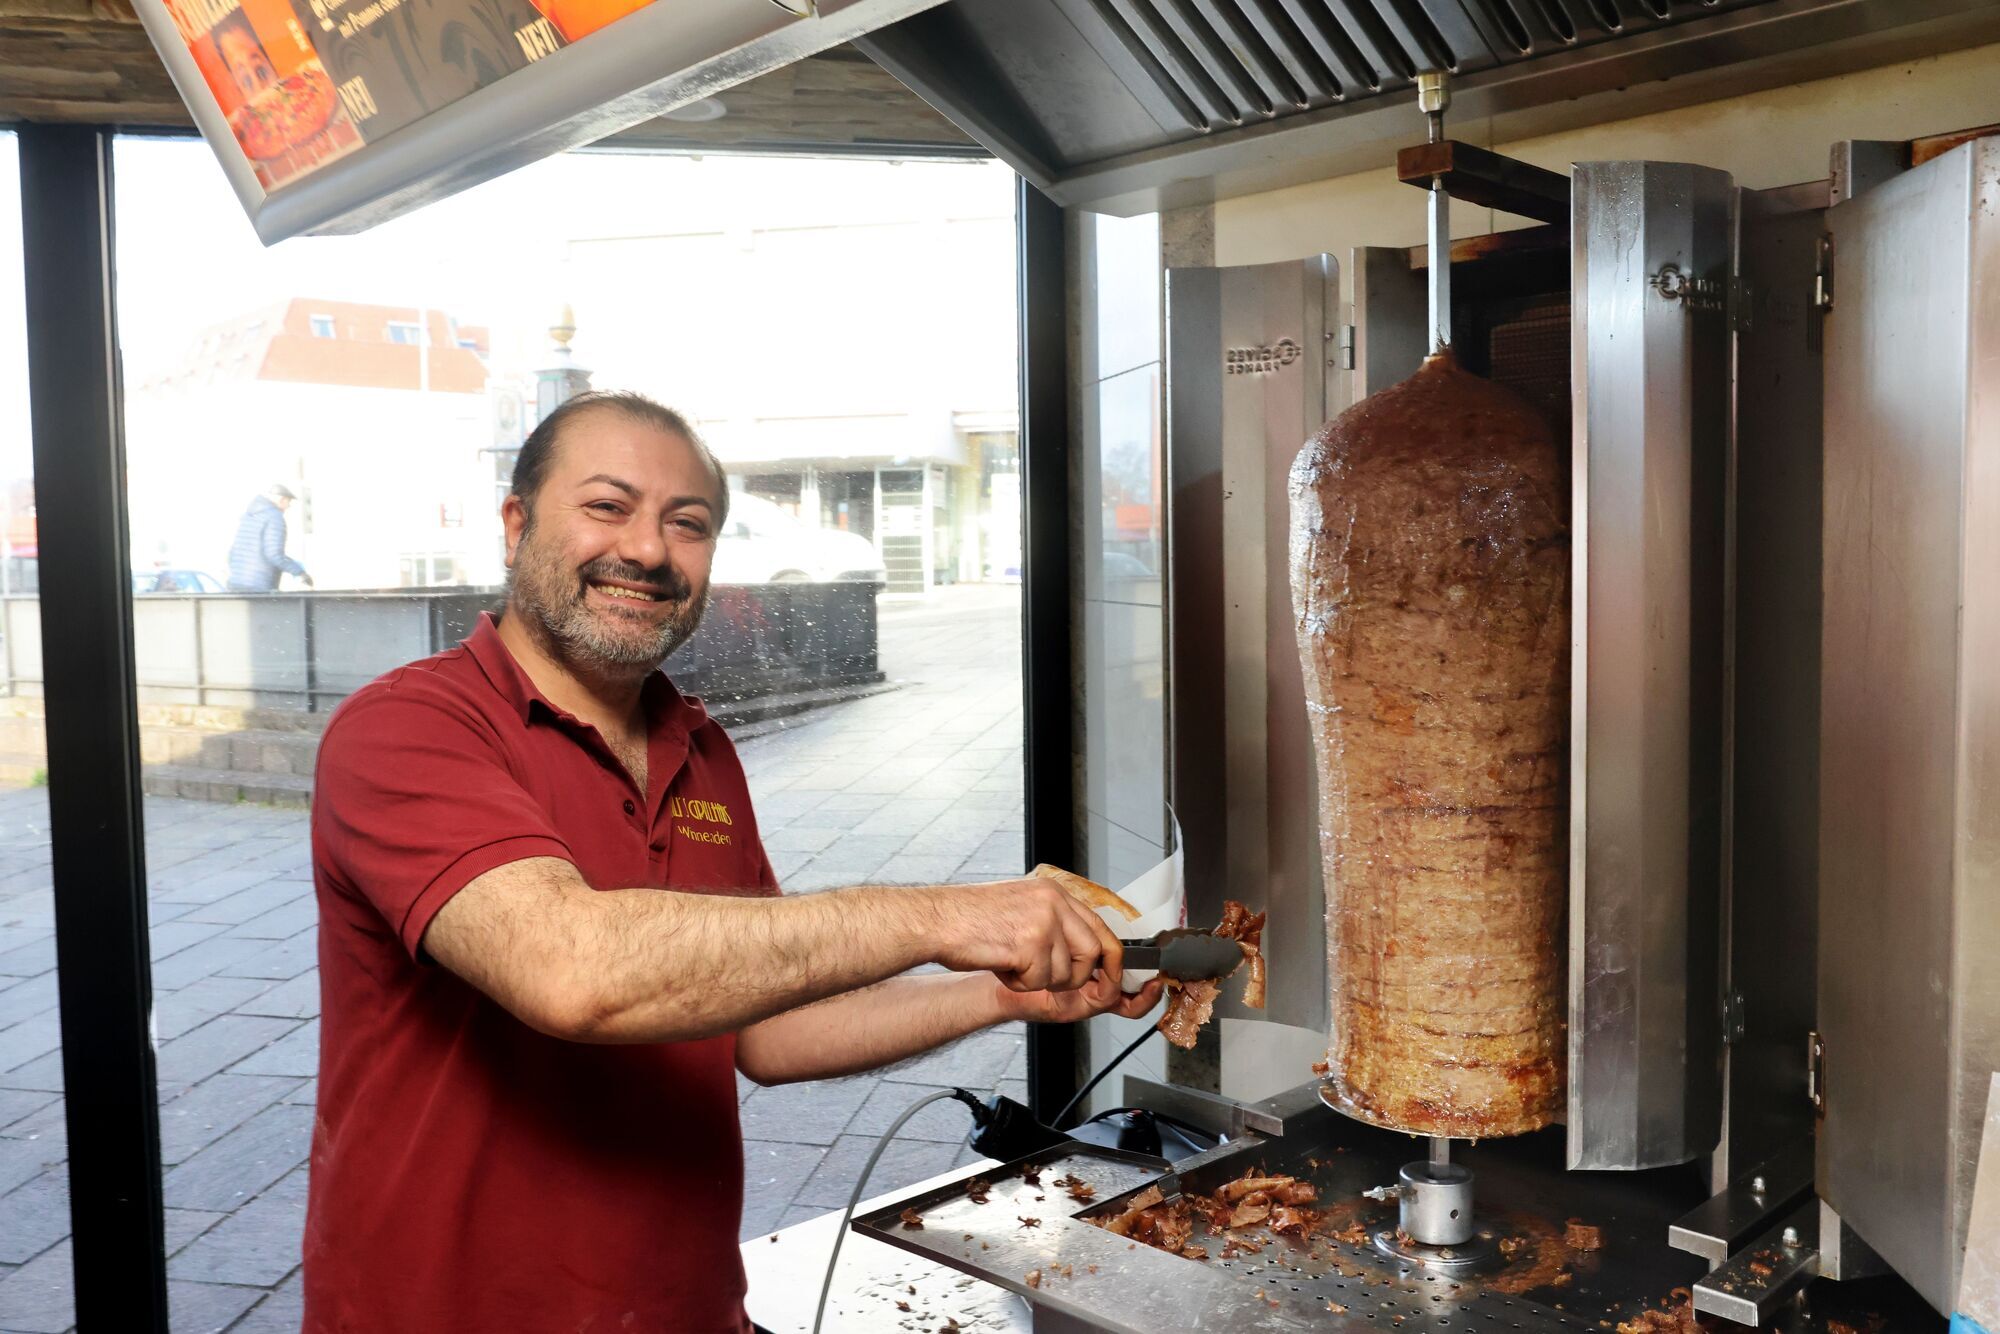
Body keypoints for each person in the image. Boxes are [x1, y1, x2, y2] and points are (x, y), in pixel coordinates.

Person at [302, 389, 1162, 1332]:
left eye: (689, 523)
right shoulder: (411, 727)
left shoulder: (698, 749)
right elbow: (573, 972)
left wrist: (1008, 992)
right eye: (606, 506)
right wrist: (949, 916)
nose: (645, 549)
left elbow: (768, 1032)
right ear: (515, 525)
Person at [226, 483, 311, 591]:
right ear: (282, 500)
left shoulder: (249, 516)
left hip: (235, 584)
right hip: (259, 586)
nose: (288, 506)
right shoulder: (275, 517)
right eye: (289, 502)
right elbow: (274, 554)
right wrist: (299, 572)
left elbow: (232, 553)